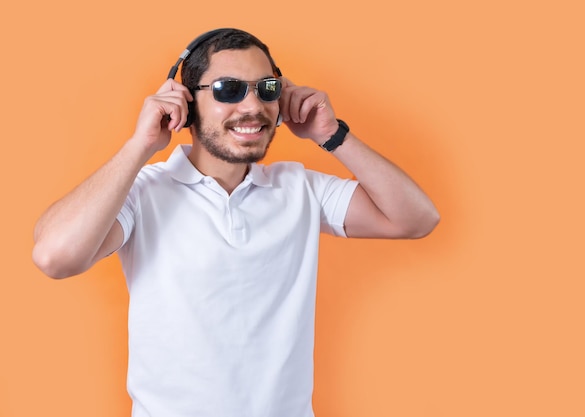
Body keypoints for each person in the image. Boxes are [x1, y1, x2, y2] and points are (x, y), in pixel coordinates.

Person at [32, 28, 439, 417]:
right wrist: (140, 146)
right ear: (187, 104)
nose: (252, 107)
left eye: (267, 89)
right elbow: (54, 256)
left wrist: (331, 135)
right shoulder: (141, 194)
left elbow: (418, 218)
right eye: (229, 90)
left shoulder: (301, 190)